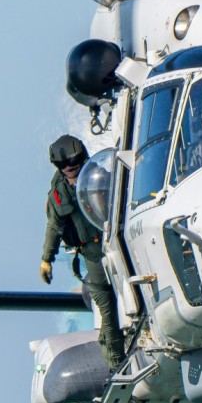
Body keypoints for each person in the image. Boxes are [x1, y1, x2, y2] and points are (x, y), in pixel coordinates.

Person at [41, 134, 125, 370]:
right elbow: (54, 226)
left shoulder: (101, 176)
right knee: (107, 307)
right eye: (66, 167)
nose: (71, 170)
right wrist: (47, 259)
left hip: (117, 241)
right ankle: (117, 365)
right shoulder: (58, 194)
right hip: (92, 251)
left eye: (75, 166)